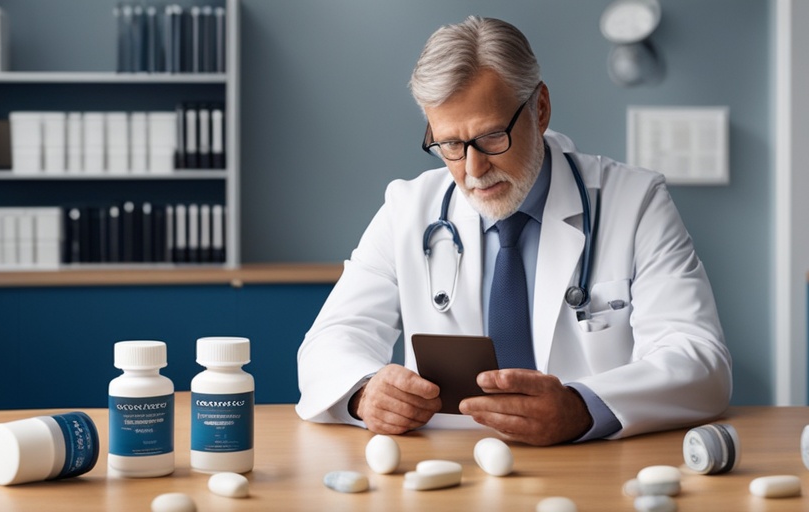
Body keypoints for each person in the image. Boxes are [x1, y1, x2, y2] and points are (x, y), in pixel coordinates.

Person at [295, 15, 731, 446]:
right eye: (450, 145)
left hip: (589, 464)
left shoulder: (635, 202)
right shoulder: (407, 210)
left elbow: (699, 360)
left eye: (490, 138)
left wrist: (581, 408)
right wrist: (365, 392)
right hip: (453, 468)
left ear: (539, 109)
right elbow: (331, 341)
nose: (472, 169)